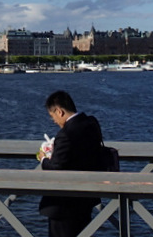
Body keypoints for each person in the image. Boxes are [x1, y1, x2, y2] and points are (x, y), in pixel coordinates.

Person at [37, 90, 103, 237]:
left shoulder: (66, 134)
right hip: (86, 197)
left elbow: (55, 168)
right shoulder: (91, 123)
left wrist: (43, 158)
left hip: (64, 204)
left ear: (59, 111)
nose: (53, 121)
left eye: (52, 116)